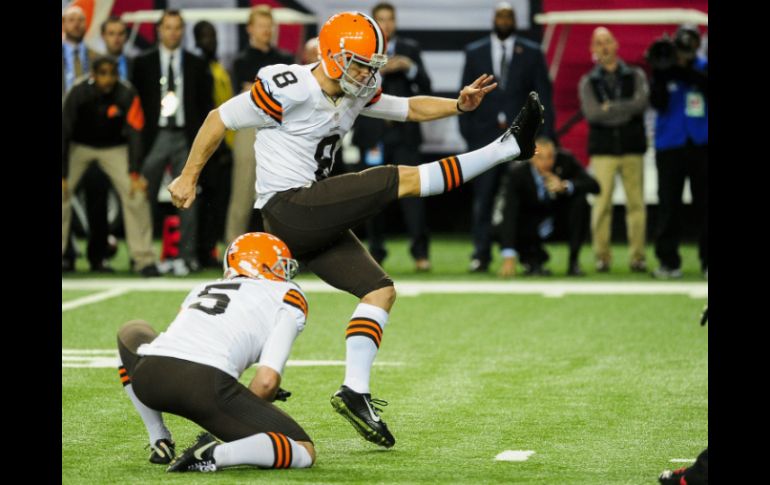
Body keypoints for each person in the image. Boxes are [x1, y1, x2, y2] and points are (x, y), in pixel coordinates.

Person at [168, 10, 544, 448]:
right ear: (329, 56)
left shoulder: (352, 88)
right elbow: (219, 117)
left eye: (370, 64)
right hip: (287, 207)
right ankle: (507, 147)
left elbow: (406, 108)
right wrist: (188, 175)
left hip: (312, 212)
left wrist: (456, 105)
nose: (365, 73)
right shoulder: (289, 86)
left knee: (379, 290)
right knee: (398, 178)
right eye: (358, 63)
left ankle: (353, 391)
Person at [116, 232, 315, 472]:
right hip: (205, 388)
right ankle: (213, 454)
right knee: (303, 450)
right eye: (279, 265)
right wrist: (248, 407)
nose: (284, 273)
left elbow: (189, 341)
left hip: (150, 377)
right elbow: (266, 381)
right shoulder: (287, 293)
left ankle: (159, 438)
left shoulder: (204, 286)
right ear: (260, 264)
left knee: (131, 330)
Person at [460, 1, 555, 273]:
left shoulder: (533, 52)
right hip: (483, 139)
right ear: (493, 18)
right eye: (500, 15)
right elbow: (464, 96)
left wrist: (543, 137)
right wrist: (469, 137)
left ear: (514, 20)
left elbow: (543, 96)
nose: (504, 20)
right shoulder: (474, 52)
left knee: (522, 199)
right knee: (483, 199)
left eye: (508, 16)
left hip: (520, 141)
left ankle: (527, 255)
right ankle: (481, 255)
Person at [62, 56, 161, 277]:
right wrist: (63, 174)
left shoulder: (126, 93)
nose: (108, 79)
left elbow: (136, 133)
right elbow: (64, 131)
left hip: (115, 148)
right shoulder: (78, 92)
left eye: (112, 74)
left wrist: (135, 172)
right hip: (79, 146)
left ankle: (143, 259)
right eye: (103, 74)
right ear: (93, 75)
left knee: (136, 193)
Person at [352, 2, 433, 271]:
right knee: (372, 197)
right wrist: (379, 71)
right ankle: (375, 255)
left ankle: (420, 254)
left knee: (414, 196)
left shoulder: (410, 49)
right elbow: (350, 88)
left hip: (405, 135)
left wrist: (409, 68)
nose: (386, 24)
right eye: (381, 20)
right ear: (373, 24)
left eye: (389, 19)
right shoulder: (361, 51)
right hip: (373, 135)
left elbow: (426, 86)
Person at [131, 10, 213, 276]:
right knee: (141, 194)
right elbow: (136, 106)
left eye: (178, 28)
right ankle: (143, 257)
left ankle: (186, 257)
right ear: (159, 30)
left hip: (185, 137)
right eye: (168, 27)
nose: (173, 32)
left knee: (188, 194)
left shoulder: (196, 64)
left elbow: (205, 106)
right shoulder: (142, 63)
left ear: (183, 30)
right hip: (154, 136)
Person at [578, 27, 649, 273]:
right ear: (593, 49)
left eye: (607, 41)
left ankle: (638, 256)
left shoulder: (636, 75)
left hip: (631, 148)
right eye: (599, 43)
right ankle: (602, 257)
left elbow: (641, 104)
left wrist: (611, 108)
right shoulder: (588, 80)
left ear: (616, 44)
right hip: (603, 150)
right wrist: (623, 111)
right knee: (601, 204)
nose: (604, 46)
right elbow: (593, 113)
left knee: (636, 204)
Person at [225, 5, 295, 243]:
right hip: (249, 130)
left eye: (269, 26)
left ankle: (282, 248)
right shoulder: (240, 61)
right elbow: (244, 98)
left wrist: (259, 92)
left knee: (279, 192)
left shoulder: (284, 59)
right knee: (242, 191)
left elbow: (265, 95)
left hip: (280, 130)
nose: (266, 31)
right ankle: (232, 247)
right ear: (250, 29)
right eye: (261, 26)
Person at [648, 25, 708, 279]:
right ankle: (669, 261)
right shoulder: (663, 65)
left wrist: (683, 70)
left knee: (706, 205)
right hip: (670, 145)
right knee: (668, 205)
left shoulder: (703, 67)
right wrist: (662, 72)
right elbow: (657, 102)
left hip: (702, 144)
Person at [498, 137, 599, 277]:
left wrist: (565, 186)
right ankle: (531, 260)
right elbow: (510, 213)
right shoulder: (517, 174)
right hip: (530, 225)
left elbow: (595, 186)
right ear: (532, 158)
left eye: (550, 157)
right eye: (541, 158)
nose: (546, 162)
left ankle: (573, 262)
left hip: (559, 222)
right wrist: (508, 254)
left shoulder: (566, 161)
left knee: (581, 203)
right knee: (499, 226)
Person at [193, 20, 234, 268]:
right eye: (205, 36)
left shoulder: (217, 65)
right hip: (209, 142)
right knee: (206, 200)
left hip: (223, 143)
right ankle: (202, 250)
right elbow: (203, 109)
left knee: (217, 201)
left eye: (213, 35)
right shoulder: (198, 67)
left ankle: (209, 248)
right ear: (196, 40)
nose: (210, 40)